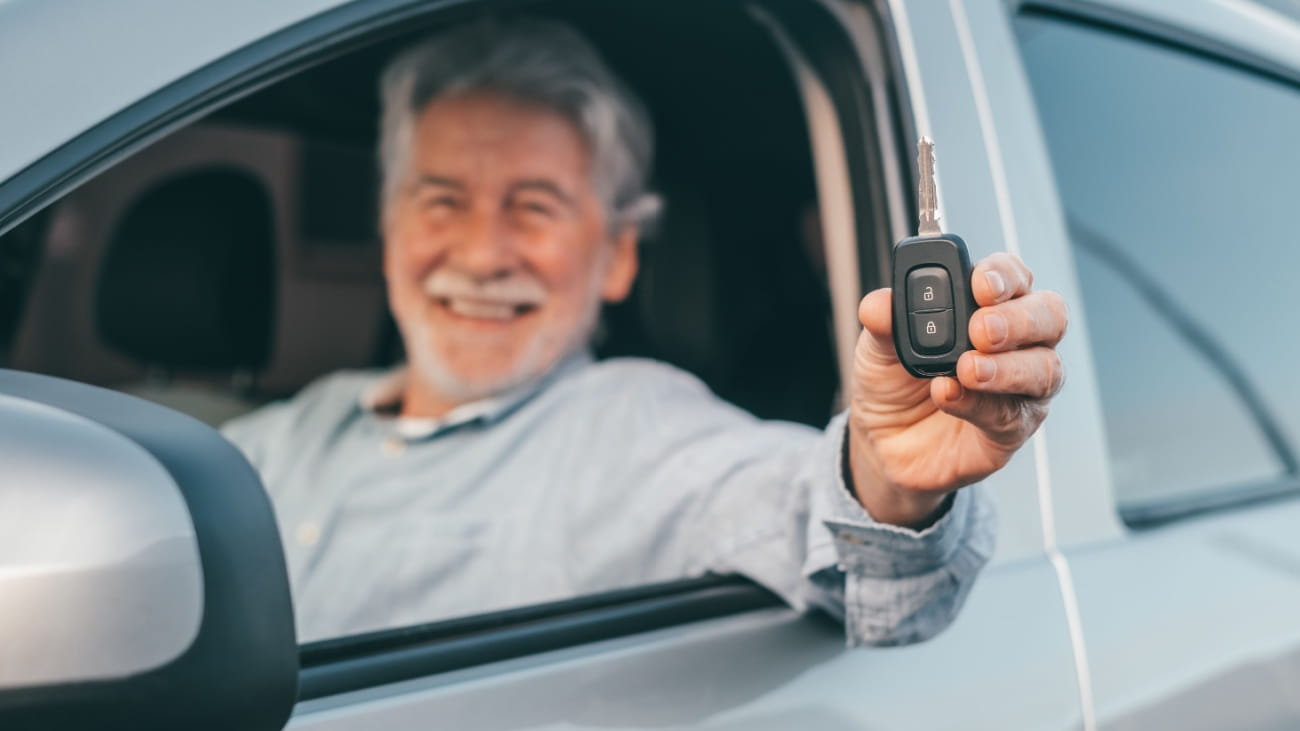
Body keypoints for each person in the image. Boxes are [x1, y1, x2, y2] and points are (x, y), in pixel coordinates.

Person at [222, 17, 1067, 645]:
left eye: (534, 206)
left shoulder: (632, 427)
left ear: (620, 254)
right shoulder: (283, 434)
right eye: (442, 200)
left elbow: (818, 530)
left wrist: (888, 483)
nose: (481, 254)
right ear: (390, 228)